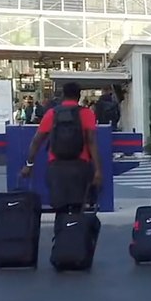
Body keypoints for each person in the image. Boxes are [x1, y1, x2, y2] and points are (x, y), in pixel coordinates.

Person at [20, 82, 101, 213]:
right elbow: (91, 141)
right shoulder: (87, 114)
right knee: (78, 210)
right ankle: (75, 230)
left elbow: (36, 141)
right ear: (79, 96)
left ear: (63, 95)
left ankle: (61, 231)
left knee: (60, 210)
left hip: (56, 167)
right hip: (80, 166)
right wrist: (98, 170)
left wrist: (29, 165)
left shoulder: (52, 114)